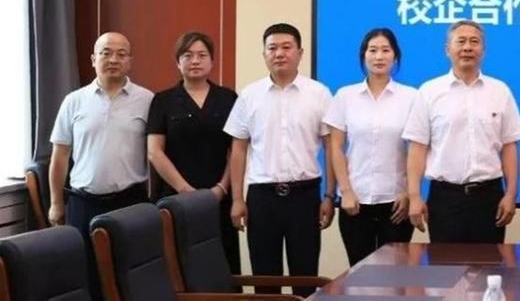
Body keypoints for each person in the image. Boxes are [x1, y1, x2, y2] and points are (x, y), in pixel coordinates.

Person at [224, 23, 334, 296]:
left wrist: (330, 196)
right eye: (272, 48)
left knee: (305, 276)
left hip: (305, 197)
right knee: (265, 279)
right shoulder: (249, 95)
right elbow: (238, 149)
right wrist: (237, 199)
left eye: (287, 47)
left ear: (300, 53)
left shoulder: (319, 93)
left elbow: (331, 148)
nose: (279, 53)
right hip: (262, 198)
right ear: (264, 54)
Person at [48, 32, 154, 296]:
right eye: (106, 53)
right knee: (85, 274)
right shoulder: (74, 101)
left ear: (130, 61)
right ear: (93, 59)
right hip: (84, 202)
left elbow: (156, 153)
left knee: (130, 274)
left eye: (121, 54)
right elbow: (60, 156)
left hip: (130, 202)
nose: (113, 59)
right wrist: (56, 202)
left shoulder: (148, 100)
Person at [403, 20, 520, 243]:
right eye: (461, 41)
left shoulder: (500, 91)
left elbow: (509, 147)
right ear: (447, 49)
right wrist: (415, 196)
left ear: (483, 50)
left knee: (489, 263)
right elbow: (417, 148)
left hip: (489, 198)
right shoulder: (429, 92)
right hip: (445, 198)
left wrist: (511, 193)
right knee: (446, 262)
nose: (467, 47)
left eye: (474, 42)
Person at [147, 31, 240, 273]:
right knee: (178, 268)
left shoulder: (228, 98)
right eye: (187, 56)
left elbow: (237, 150)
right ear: (178, 62)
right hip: (174, 199)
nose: (195, 61)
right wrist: (184, 190)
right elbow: (154, 152)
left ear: (212, 61)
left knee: (222, 267)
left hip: (219, 199)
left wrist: (222, 188)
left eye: (202, 55)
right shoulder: (163, 101)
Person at [324, 28, 418, 265]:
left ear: (395, 56)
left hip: (397, 202)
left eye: (386, 50)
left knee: (396, 275)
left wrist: (409, 192)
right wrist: (345, 191)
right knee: (359, 273)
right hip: (355, 201)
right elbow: (336, 147)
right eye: (373, 50)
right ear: (363, 55)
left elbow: (417, 150)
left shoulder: (411, 97)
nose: (379, 57)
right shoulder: (345, 96)